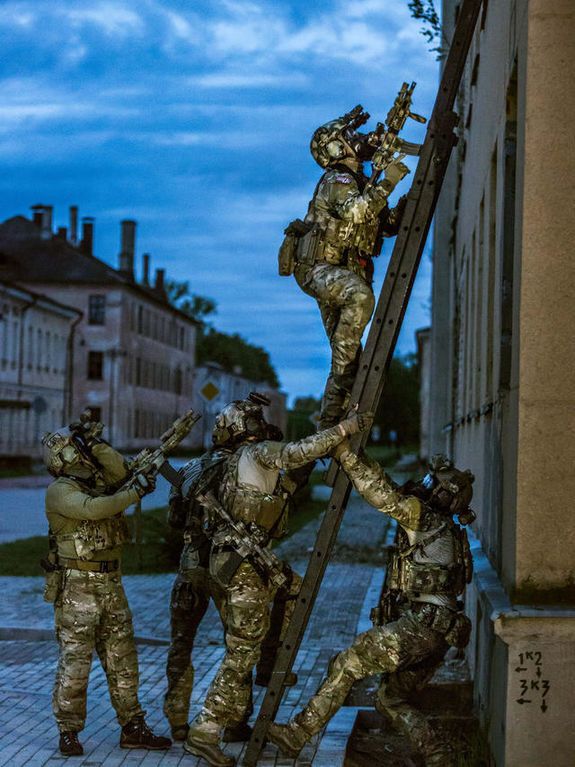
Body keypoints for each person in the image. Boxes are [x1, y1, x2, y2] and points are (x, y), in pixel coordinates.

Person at [183, 395, 373, 767]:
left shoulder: (234, 462)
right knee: (241, 653)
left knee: (294, 587)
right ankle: (204, 730)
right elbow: (296, 453)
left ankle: (270, 666)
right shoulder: (257, 455)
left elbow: (283, 484)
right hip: (243, 568)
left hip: (238, 563)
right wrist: (344, 429)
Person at [268, 448, 475, 767]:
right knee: (391, 698)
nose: (423, 481)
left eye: (430, 480)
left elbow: (382, 495)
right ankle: (437, 754)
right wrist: (361, 457)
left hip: (421, 627)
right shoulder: (446, 528)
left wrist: (348, 456)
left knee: (347, 663)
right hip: (439, 632)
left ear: (441, 493)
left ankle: (297, 734)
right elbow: (390, 486)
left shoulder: (424, 517)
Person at [42, 414, 171, 756]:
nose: (83, 454)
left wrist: (96, 444)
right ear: (65, 456)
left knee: (123, 658)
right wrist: (133, 494)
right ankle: (68, 731)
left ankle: (133, 726)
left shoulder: (97, 480)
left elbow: (122, 473)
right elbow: (96, 509)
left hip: (111, 583)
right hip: (77, 588)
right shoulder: (60, 491)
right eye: (79, 449)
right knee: (76, 661)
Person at [163, 446, 298, 743]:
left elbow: (173, 518)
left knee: (181, 644)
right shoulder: (243, 470)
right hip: (227, 568)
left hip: (191, 568)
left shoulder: (191, 468)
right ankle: (237, 721)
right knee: (238, 643)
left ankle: (177, 719)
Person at [286, 107, 410, 428]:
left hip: (340, 272)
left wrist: (408, 199)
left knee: (347, 367)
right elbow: (358, 212)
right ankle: (343, 375)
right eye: (350, 136)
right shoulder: (338, 180)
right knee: (360, 297)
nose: (358, 140)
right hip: (319, 270)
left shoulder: (359, 182)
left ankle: (324, 433)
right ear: (337, 148)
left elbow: (385, 224)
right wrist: (389, 182)